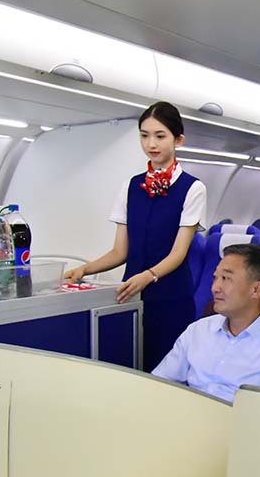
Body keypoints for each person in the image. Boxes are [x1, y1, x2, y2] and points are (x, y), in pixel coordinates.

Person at [65, 101, 206, 371]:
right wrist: (84, 269)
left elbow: (178, 253)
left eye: (160, 136)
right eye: (144, 135)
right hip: (130, 297)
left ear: (178, 140)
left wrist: (148, 276)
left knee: (166, 376)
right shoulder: (130, 187)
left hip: (171, 299)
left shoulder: (193, 188)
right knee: (131, 371)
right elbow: (120, 252)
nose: (151, 143)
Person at [152, 244, 260, 402]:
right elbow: (159, 383)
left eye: (226, 278)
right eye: (215, 278)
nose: (215, 288)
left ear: (256, 289)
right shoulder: (198, 330)